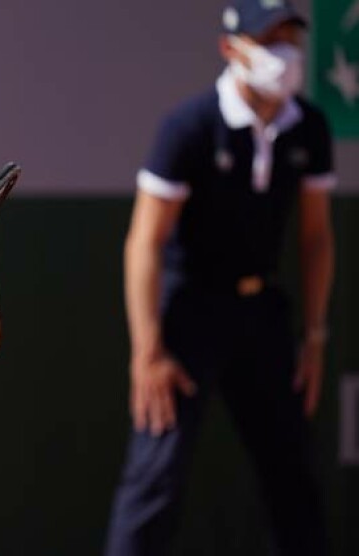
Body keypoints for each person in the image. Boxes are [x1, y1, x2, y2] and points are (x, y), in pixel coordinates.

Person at [104, 1, 335, 555]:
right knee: (156, 476)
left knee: (293, 473)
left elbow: (316, 237)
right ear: (231, 48)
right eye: (269, 40)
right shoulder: (189, 126)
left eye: (291, 39)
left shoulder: (309, 127)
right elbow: (144, 242)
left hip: (263, 314)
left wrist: (314, 335)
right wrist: (148, 351)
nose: (285, 54)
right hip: (189, 314)